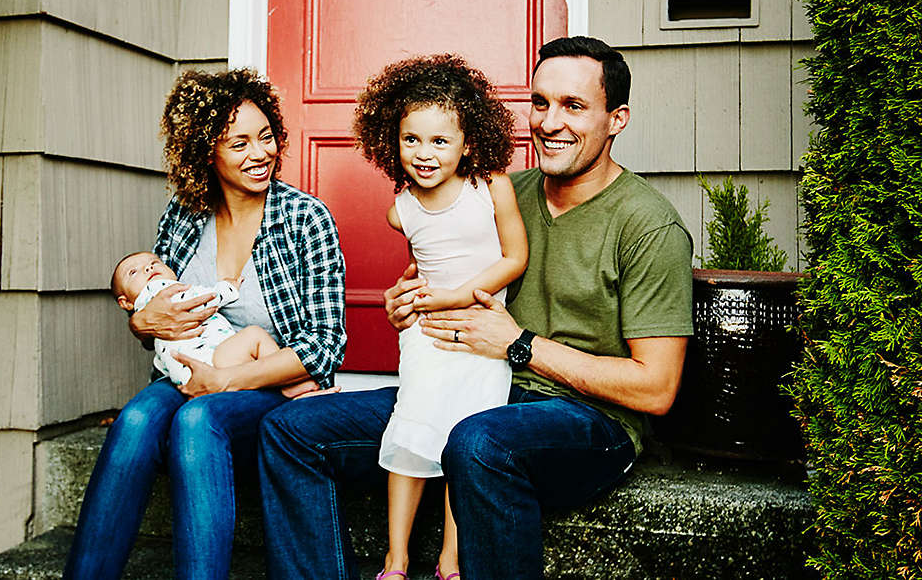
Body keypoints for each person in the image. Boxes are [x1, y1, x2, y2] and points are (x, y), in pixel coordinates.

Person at [258, 36, 693, 579]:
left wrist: (520, 345)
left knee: (477, 441)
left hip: (587, 421)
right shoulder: (495, 192)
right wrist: (407, 303)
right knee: (290, 429)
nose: (550, 122)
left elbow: (655, 388)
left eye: (574, 106)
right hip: (470, 380)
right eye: (540, 103)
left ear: (617, 119)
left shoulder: (648, 226)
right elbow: (434, 269)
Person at [63, 69, 346, 580]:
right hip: (188, 374)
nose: (260, 153)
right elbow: (151, 306)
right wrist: (142, 323)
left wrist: (225, 381)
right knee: (136, 419)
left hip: (270, 386)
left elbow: (325, 348)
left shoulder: (306, 218)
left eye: (266, 137)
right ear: (205, 151)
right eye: (239, 142)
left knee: (198, 420)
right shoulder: (185, 212)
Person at [351, 55, 528, 580]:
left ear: (468, 142)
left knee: (464, 438)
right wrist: (418, 298)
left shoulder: (490, 186)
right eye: (411, 140)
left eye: (439, 141)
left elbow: (514, 258)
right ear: (392, 140)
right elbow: (419, 266)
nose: (424, 154)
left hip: (479, 331)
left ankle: (450, 562)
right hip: (427, 336)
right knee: (412, 429)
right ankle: (395, 559)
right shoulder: (399, 209)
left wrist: (453, 297)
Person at [111, 251, 317, 396]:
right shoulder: (163, 291)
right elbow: (202, 299)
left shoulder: (148, 309)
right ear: (125, 302)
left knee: (138, 417)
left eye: (155, 262)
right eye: (133, 272)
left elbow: (159, 358)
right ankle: (288, 384)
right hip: (215, 362)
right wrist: (228, 289)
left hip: (186, 379)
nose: (149, 267)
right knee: (254, 335)